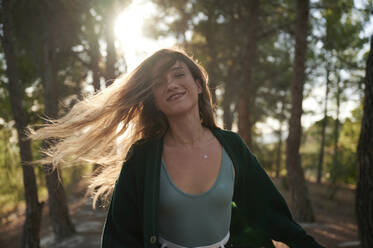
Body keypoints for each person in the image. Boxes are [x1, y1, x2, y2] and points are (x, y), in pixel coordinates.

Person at [30, 48, 325, 248]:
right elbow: (120, 237)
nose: (171, 84)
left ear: (198, 85)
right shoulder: (143, 157)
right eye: (159, 83)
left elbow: (269, 213)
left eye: (178, 74)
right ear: (154, 100)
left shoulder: (232, 146)